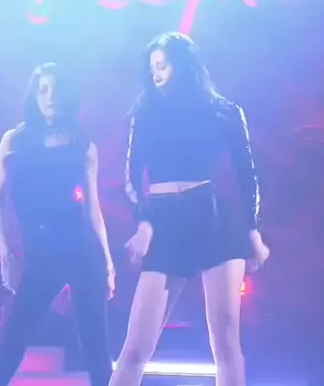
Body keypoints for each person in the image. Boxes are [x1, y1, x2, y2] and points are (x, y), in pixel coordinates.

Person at [109, 32, 271, 386]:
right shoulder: (145, 115)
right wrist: (144, 223)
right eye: (151, 67)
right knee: (134, 349)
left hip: (213, 221)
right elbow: (131, 177)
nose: (155, 73)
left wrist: (252, 231)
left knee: (226, 343)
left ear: (183, 65)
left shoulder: (224, 111)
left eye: (162, 65)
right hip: (166, 223)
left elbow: (247, 176)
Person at [0, 63, 115, 386]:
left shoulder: (82, 143)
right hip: (40, 251)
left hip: (81, 247)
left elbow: (93, 209)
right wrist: (5, 254)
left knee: (95, 344)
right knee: (15, 336)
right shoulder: (15, 140)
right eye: (43, 90)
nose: (50, 96)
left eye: (56, 89)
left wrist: (108, 263)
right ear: (34, 96)